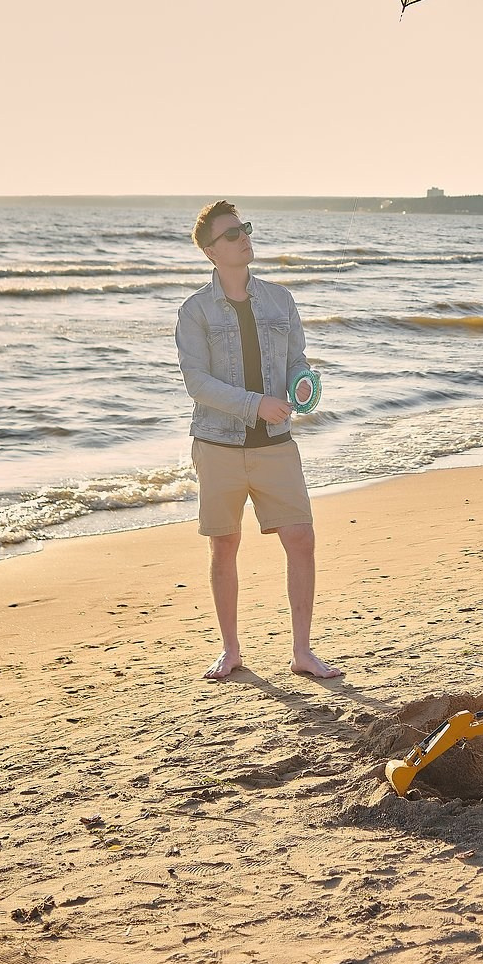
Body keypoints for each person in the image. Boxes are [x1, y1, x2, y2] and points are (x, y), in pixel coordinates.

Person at [175, 200, 341, 682]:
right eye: (230, 235)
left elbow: (296, 361)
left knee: (301, 539)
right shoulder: (194, 312)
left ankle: (303, 652)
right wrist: (255, 404)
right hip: (218, 446)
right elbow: (198, 384)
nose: (243, 238)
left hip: (274, 444)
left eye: (244, 229)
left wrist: (302, 383)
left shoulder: (279, 301)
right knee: (224, 545)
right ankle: (231, 651)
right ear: (210, 251)